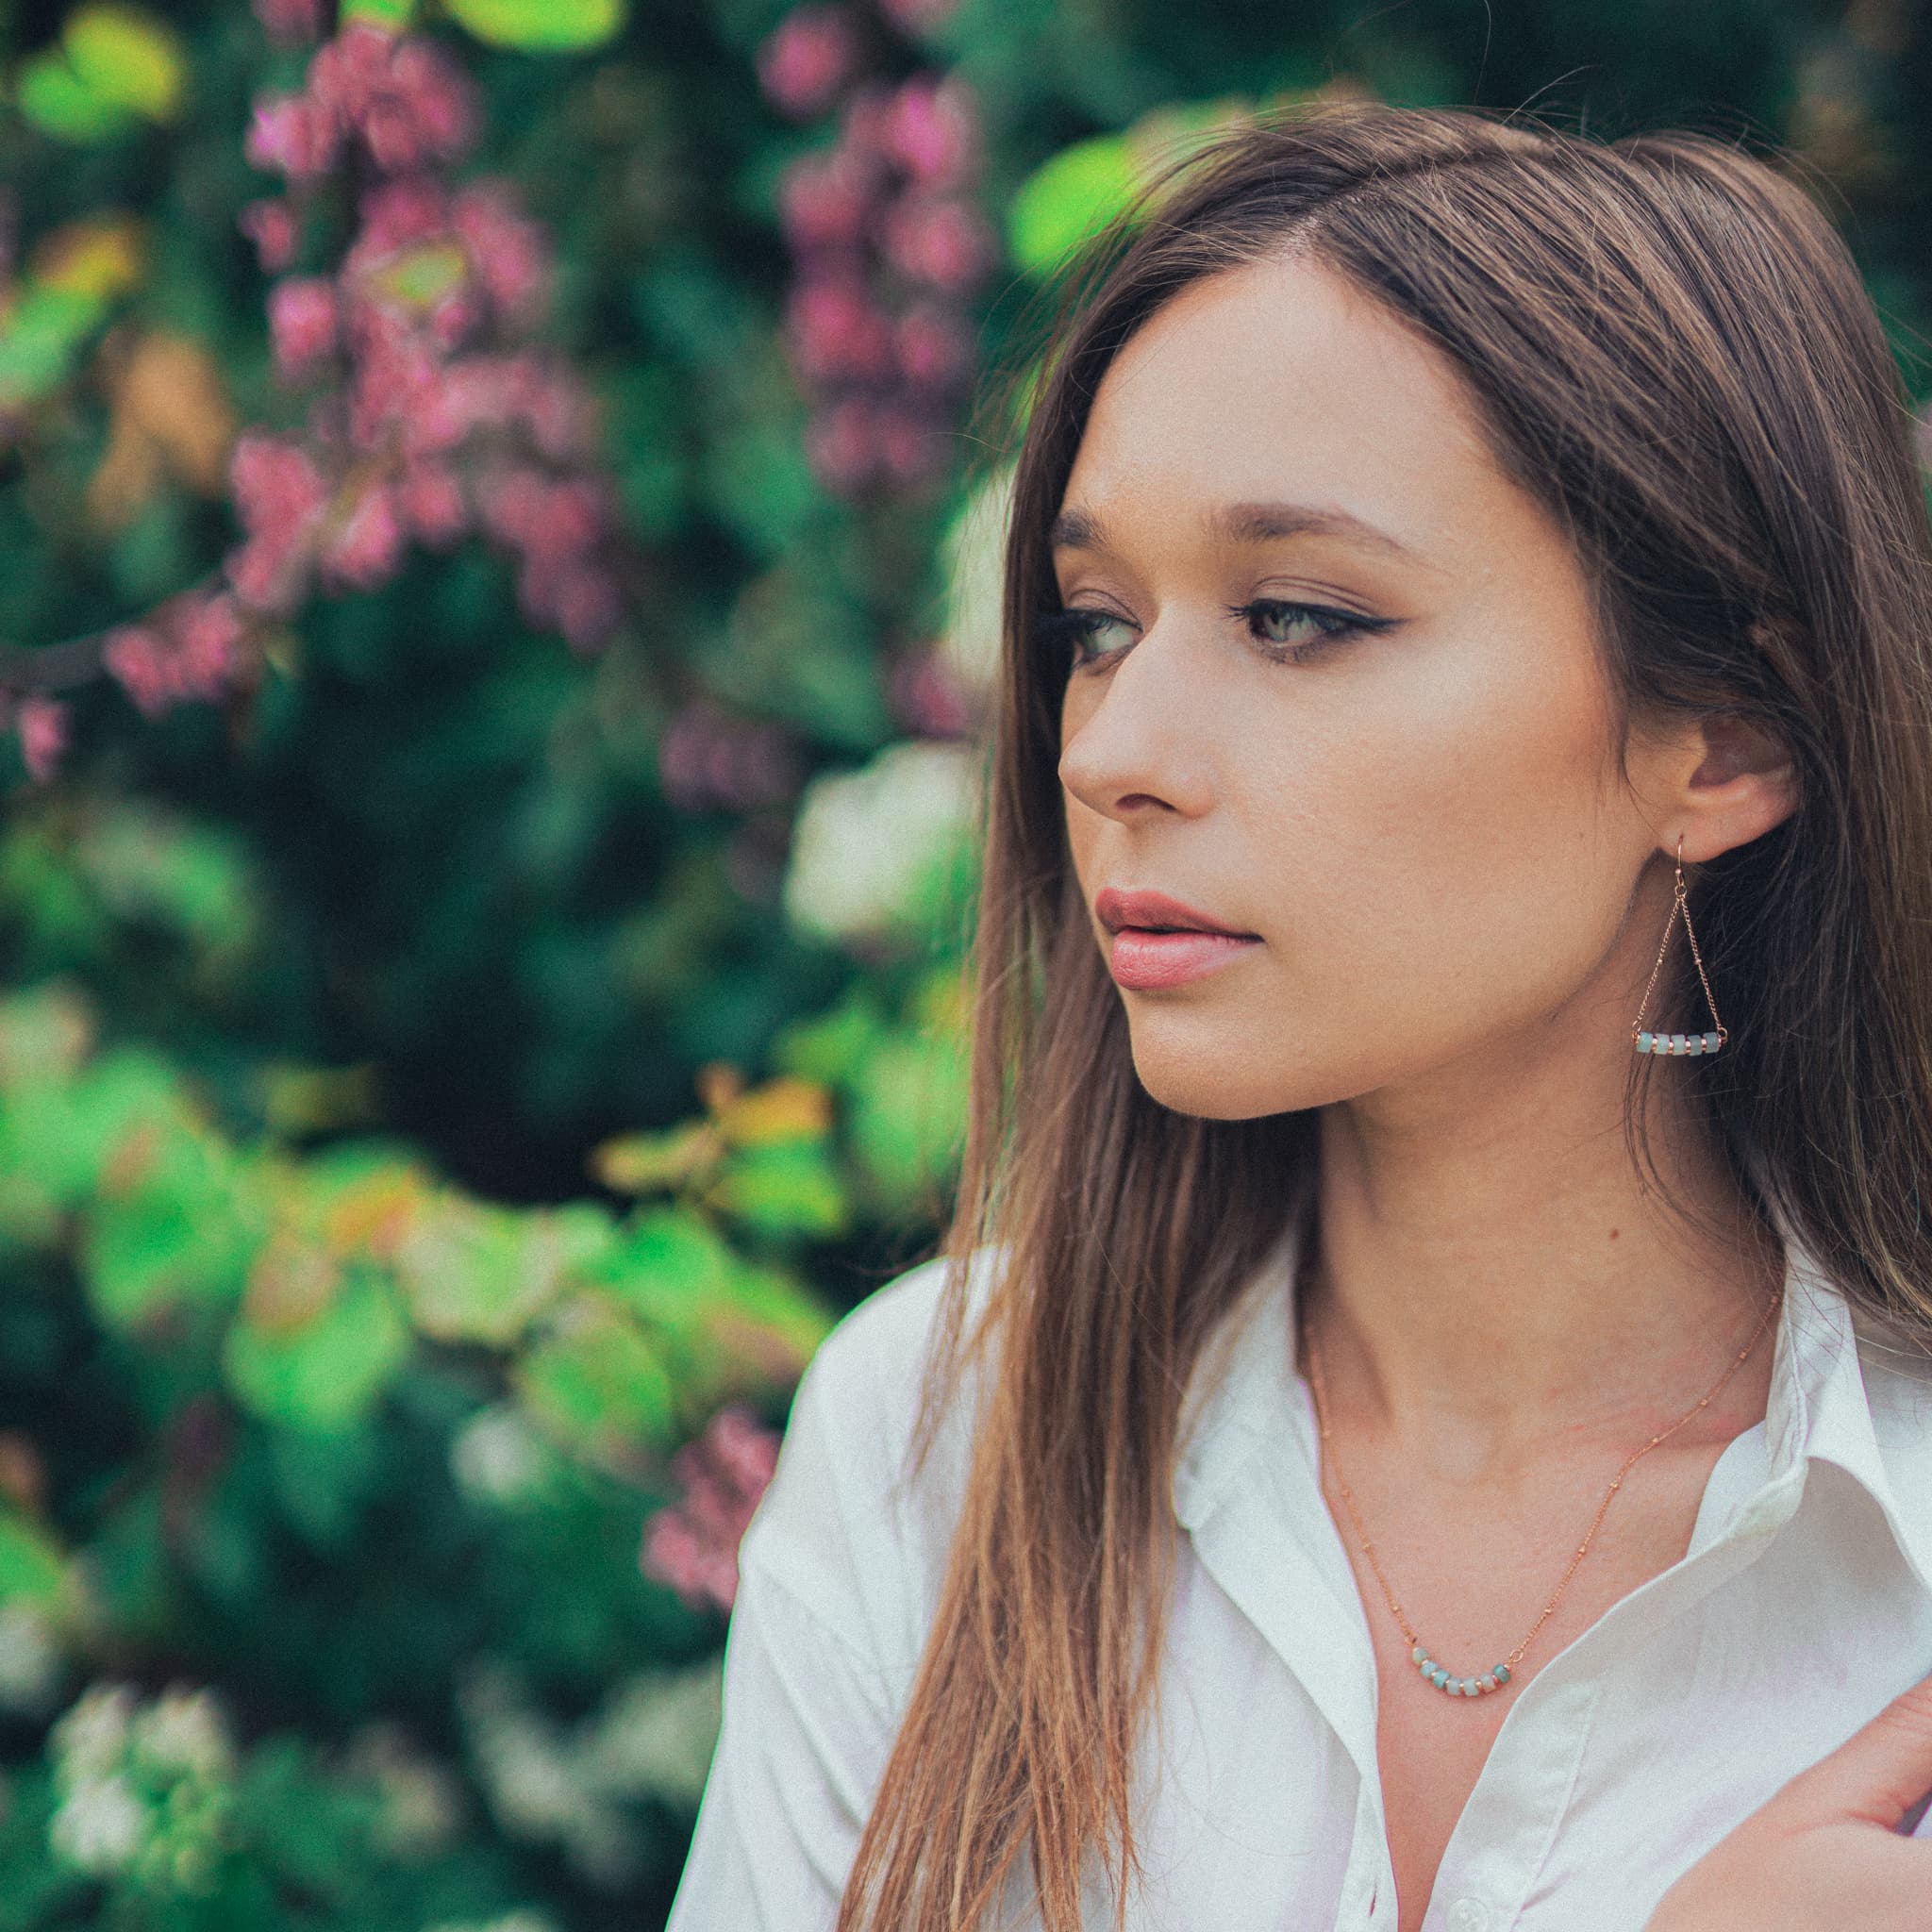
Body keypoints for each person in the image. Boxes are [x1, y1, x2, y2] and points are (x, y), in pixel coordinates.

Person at [664, 100, 1932, 1931]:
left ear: (1726, 735)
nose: (1112, 751)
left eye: (1299, 617)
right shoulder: (938, 1437)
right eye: (1096, 622)